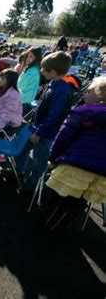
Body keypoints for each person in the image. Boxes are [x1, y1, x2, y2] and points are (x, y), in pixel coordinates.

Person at [15, 51, 80, 192]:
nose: (41, 71)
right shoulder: (54, 82)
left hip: (45, 134)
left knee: (39, 161)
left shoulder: (62, 90)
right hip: (37, 127)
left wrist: (39, 133)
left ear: (54, 72)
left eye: (44, 69)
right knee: (22, 151)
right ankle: (19, 173)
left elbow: (54, 116)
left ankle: (31, 186)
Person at [44, 76, 106, 218]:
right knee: (80, 202)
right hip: (102, 173)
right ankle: (66, 223)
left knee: (61, 195)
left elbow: (63, 138)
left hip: (76, 165)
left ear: (100, 94)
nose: (84, 94)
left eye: (89, 91)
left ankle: (47, 221)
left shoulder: (83, 112)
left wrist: (53, 159)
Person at [18, 47, 42, 114]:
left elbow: (21, 86)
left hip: (22, 101)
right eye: (27, 56)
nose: (28, 58)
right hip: (25, 100)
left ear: (36, 58)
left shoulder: (32, 71)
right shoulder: (32, 69)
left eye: (31, 56)